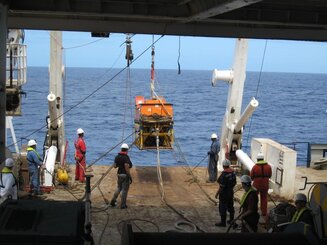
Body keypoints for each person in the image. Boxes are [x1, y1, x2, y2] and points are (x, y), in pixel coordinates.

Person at [110, 143, 133, 209]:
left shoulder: (117, 157)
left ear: (121, 149)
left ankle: (113, 201)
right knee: (125, 190)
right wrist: (129, 176)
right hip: (125, 175)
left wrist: (118, 164)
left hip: (119, 174)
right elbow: (126, 167)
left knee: (119, 187)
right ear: (127, 150)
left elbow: (114, 166)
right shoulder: (126, 157)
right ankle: (123, 205)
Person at [215, 159, 236, 227]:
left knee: (222, 207)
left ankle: (223, 222)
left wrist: (217, 194)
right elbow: (234, 183)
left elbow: (221, 186)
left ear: (224, 166)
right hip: (230, 192)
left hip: (224, 194)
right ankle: (231, 220)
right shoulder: (233, 173)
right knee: (230, 206)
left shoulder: (224, 174)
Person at [250, 152, 272, 218]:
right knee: (264, 198)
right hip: (265, 184)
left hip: (256, 184)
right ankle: (264, 212)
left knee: (254, 198)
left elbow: (251, 176)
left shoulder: (255, 167)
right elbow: (270, 175)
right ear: (263, 159)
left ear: (257, 159)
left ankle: (254, 210)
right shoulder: (268, 166)